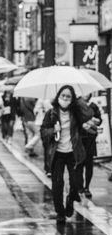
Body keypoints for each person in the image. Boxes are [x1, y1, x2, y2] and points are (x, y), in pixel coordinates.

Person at [40, 85, 92, 224]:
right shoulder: (51, 113)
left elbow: (89, 114)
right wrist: (53, 130)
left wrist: (78, 101)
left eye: (68, 96)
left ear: (72, 99)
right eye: (62, 95)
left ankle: (70, 200)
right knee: (57, 184)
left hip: (73, 152)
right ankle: (60, 213)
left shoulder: (76, 113)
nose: (65, 98)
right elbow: (43, 133)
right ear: (58, 97)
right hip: (57, 154)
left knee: (76, 182)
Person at [76, 94, 101, 199]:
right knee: (79, 164)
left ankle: (87, 187)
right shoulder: (76, 106)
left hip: (91, 139)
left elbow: (100, 120)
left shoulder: (93, 106)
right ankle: (80, 187)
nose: (86, 95)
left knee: (89, 163)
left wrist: (95, 121)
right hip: (79, 139)